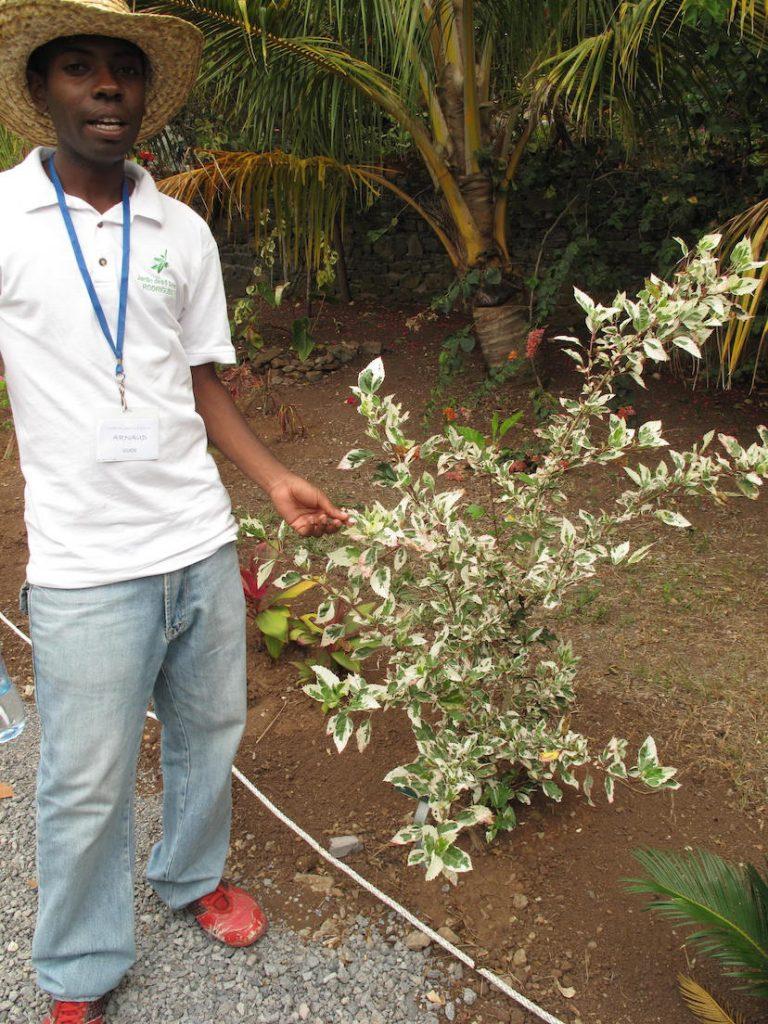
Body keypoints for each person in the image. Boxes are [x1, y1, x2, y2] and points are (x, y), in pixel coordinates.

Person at [0, 3, 350, 1021]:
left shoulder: (181, 230)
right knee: (84, 778)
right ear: (41, 93)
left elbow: (198, 378)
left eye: (123, 69)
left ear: (146, 94)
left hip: (196, 537)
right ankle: (76, 966)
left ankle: (189, 878)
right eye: (79, 68)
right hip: (83, 560)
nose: (106, 86)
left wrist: (272, 477)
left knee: (210, 733)